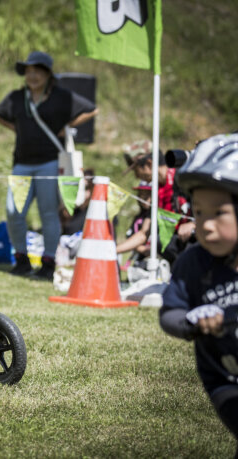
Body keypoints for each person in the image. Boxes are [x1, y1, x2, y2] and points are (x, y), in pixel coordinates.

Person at [160, 134, 238, 456]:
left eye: (218, 213)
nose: (205, 225)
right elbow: (169, 313)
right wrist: (192, 322)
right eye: (199, 212)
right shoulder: (193, 262)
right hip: (226, 379)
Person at [0, 51, 98, 281]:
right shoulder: (16, 98)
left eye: (37, 71)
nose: (32, 76)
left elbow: (92, 109)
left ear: (48, 74)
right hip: (21, 163)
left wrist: (68, 126)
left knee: (48, 213)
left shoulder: (61, 96)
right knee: (14, 211)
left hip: (50, 163)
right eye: (29, 71)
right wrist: (18, 129)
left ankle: (48, 262)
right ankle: (21, 259)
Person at [123, 139, 195, 264]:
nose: (136, 176)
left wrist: (193, 224)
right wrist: (113, 250)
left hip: (198, 243)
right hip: (177, 250)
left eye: (136, 170)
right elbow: (143, 234)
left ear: (149, 164)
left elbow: (215, 208)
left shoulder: (184, 178)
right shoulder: (156, 191)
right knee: (158, 241)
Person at [116, 181, 152, 258]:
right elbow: (131, 236)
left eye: (148, 194)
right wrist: (141, 248)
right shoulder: (138, 218)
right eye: (142, 195)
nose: (145, 199)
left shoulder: (158, 215)